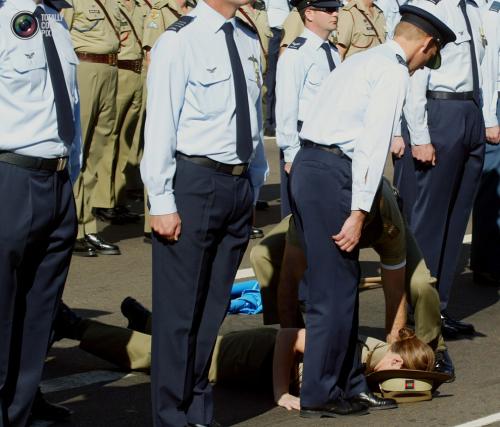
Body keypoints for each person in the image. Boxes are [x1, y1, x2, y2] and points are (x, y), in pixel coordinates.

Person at [289, 4, 455, 418]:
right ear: (428, 45)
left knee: (343, 285)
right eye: (428, 60)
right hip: (334, 172)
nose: (421, 69)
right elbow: (373, 144)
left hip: (316, 166)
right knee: (331, 291)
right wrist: (361, 211)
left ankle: (349, 384)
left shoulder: (361, 59)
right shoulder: (394, 70)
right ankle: (320, 392)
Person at [140, 0, 268, 422]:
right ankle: (170, 414)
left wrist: (251, 188)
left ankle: (196, 408)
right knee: (180, 314)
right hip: (194, 181)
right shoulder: (180, 41)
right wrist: (160, 201)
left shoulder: (248, 39)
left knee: (212, 310)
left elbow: (250, 118)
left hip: (234, 184)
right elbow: (160, 123)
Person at [52, 303, 443, 411]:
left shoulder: (373, 358)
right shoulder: (359, 353)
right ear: (394, 353)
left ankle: (149, 319)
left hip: (254, 354)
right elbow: (291, 337)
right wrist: (280, 392)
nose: (392, 377)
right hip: (251, 357)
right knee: (156, 358)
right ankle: (74, 326)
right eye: (397, 367)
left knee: (193, 344)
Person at [250, 178, 455, 378]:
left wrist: (394, 352)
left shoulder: (387, 219)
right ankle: (301, 340)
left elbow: (395, 293)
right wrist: (295, 347)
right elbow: (288, 283)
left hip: (378, 219)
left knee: (422, 286)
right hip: (324, 212)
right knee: (262, 256)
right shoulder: (309, 215)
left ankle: (431, 349)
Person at [0, 0, 81, 424]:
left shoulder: (55, 18)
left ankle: (22, 406)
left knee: (40, 307)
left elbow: (70, 103)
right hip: (10, 174)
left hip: (57, 178)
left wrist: (75, 173)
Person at [393, 0, 491, 334]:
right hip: (439, 112)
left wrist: (485, 118)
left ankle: (440, 309)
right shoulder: (428, 6)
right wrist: (419, 134)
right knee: (429, 221)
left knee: (456, 217)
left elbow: (485, 68)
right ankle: (413, 314)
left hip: (469, 111)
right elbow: (416, 74)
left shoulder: (475, 10)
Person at [62, 0, 122, 256]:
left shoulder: (114, 2)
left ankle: (88, 227)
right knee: (78, 150)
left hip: (110, 68)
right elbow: (61, 35)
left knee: (98, 152)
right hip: (84, 67)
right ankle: (73, 229)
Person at [275, 0, 341, 218]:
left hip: (330, 139)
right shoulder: (296, 54)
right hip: (304, 140)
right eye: (329, 9)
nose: (336, 13)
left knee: (324, 212)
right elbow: (286, 108)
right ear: (310, 14)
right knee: (298, 217)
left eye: (336, 8)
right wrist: (291, 154)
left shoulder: (332, 51)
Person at [273, 327, 436, 410]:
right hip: (255, 354)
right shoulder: (351, 350)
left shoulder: (375, 361)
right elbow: (287, 336)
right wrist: (282, 393)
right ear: (395, 362)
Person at [108, 0, 148, 224]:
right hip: (118, 72)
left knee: (129, 140)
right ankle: (106, 200)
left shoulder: (142, 7)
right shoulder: (112, 5)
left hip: (137, 72)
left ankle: (119, 197)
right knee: (110, 138)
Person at [471, 0, 500, 287]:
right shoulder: (494, 15)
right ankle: (486, 262)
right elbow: (488, 69)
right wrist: (490, 118)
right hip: (497, 102)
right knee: (493, 183)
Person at [264, 0, 291, 136]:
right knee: (272, 79)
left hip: (288, 31)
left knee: (285, 79)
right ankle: (269, 122)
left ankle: (280, 121)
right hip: (274, 31)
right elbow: (264, 9)